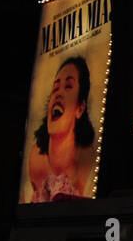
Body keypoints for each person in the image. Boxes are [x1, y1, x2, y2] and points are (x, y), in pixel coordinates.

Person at [27, 55, 97, 202]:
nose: (58, 93)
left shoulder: (88, 161)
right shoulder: (35, 159)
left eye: (68, 86)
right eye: (56, 87)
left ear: (80, 108)